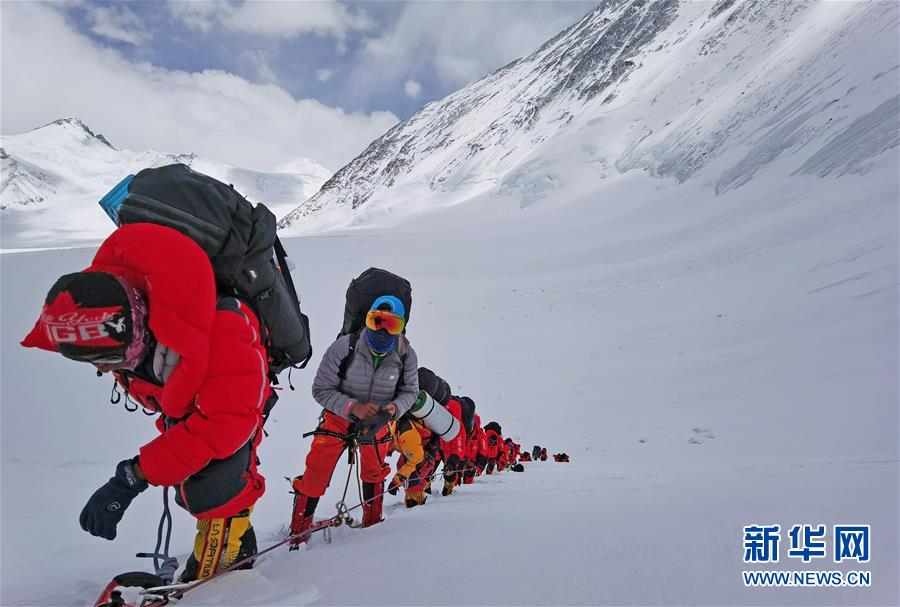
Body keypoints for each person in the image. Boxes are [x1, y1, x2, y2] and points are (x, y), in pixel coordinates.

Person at [21, 224, 270, 582]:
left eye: (109, 359)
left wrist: (134, 475)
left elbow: (223, 426)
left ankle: (227, 570)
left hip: (235, 401)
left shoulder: (224, 331)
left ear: (136, 326)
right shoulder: (139, 342)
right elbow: (175, 408)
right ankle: (233, 544)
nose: (104, 370)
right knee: (190, 473)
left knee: (218, 486)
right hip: (208, 400)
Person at [290, 295, 418, 546]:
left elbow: (410, 393)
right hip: (338, 418)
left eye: (391, 325)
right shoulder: (344, 347)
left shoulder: (406, 355)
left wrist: (393, 409)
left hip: (378, 422)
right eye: (376, 321)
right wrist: (353, 407)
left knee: (374, 472)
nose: (382, 329)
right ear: (367, 320)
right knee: (316, 471)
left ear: (401, 327)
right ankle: (298, 533)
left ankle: (372, 529)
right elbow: (320, 389)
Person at [388, 401, 439, 508]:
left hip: (424, 458)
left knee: (410, 473)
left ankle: (417, 503)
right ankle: (412, 499)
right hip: (418, 452)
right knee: (402, 465)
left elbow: (416, 459)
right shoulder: (396, 428)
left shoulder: (405, 432)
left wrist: (396, 481)